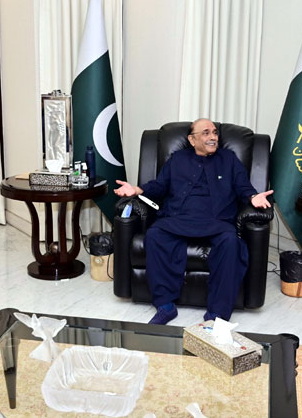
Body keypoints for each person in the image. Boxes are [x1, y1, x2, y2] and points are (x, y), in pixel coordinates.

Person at [113, 119, 273, 325]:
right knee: (155, 235)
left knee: (231, 243)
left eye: (214, 133)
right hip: (178, 218)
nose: (213, 137)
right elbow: (160, 185)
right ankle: (165, 306)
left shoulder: (229, 159)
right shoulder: (178, 159)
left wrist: (253, 197)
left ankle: (217, 315)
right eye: (206, 133)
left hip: (217, 221)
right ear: (191, 139)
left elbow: (243, 187)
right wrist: (137, 190)